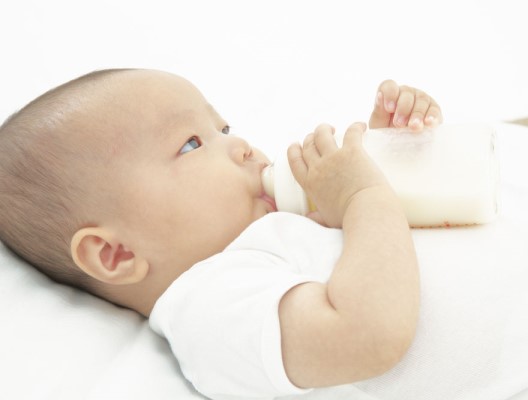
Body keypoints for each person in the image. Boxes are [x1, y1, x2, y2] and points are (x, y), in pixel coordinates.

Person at [0, 69, 442, 399]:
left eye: (224, 129)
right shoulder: (209, 306)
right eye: (191, 144)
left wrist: (391, 152)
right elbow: (367, 336)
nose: (241, 145)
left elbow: (377, 246)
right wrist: (363, 195)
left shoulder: (281, 228)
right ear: (116, 254)